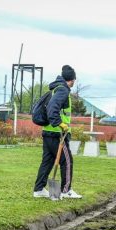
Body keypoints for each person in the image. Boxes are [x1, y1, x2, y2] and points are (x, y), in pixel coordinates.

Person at [33, 65, 82, 199]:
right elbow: (52, 109)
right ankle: (66, 190)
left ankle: (39, 189)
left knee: (47, 161)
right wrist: (60, 124)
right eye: (74, 79)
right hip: (57, 134)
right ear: (71, 79)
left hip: (48, 132)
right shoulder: (62, 91)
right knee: (66, 161)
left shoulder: (55, 89)